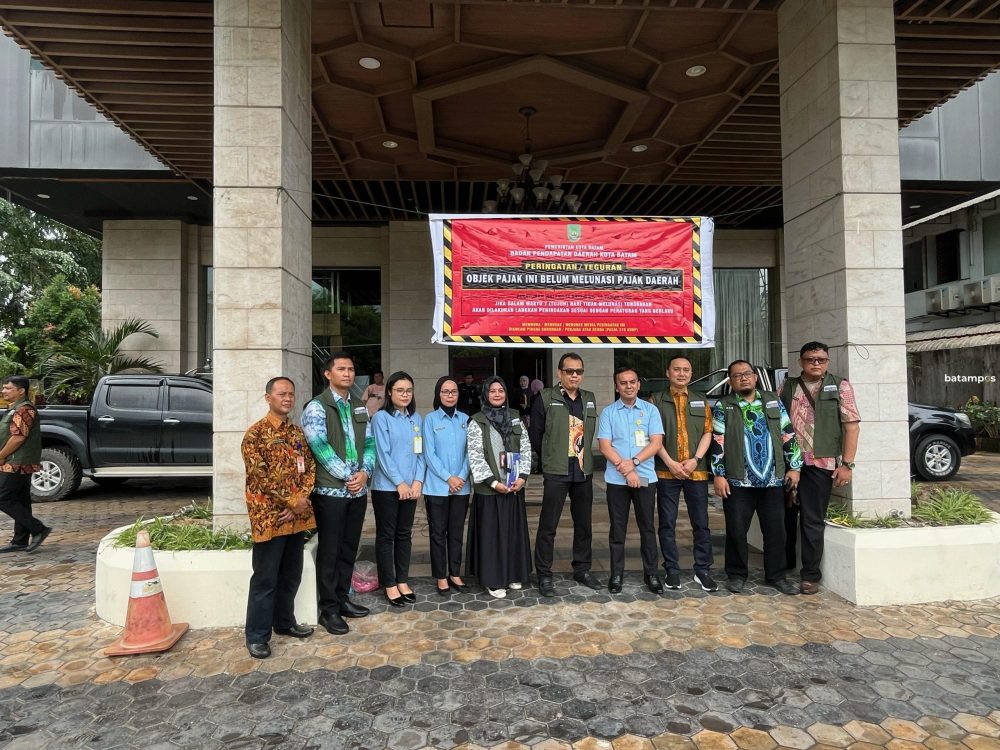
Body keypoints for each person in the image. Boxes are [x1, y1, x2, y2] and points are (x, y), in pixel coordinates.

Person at [711, 360, 802, 596]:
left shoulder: (772, 401)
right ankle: (737, 574)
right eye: (737, 375)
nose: (743, 378)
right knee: (736, 530)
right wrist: (718, 475)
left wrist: (794, 467)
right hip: (738, 480)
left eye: (747, 374)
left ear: (755, 377)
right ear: (730, 381)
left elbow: (787, 433)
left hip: (773, 479)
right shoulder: (724, 405)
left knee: (775, 531)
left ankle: (776, 576)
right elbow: (717, 441)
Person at [240, 376, 316, 659]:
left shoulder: (297, 433)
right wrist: (292, 501)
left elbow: (309, 468)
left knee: (290, 575)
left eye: (291, 394)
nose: (287, 398)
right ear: (268, 398)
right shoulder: (255, 435)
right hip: (270, 518)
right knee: (265, 579)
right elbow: (261, 476)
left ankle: (285, 623)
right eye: (282, 394)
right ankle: (257, 635)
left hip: (296, 517)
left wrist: (301, 500)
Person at [301, 351, 375, 635]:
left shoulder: (358, 405)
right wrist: (349, 476)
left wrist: (364, 474)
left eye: (351, 369)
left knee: (348, 549)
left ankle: (343, 599)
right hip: (330, 491)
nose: (347, 373)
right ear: (327, 374)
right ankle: (328, 609)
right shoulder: (317, 407)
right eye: (341, 369)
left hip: (356, 492)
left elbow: (369, 443)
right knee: (330, 552)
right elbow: (319, 447)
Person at [780, 342, 861, 595]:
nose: (816, 363)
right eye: (811, 359)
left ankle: (810, 575)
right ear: (800, 361)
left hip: (821, 463)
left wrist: (846, 464)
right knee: (784, 517)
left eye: (821, 359)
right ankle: (784, 565)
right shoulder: (787, 386)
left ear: (827, 361)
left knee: (812, 520)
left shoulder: (840, 386)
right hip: (789, 462)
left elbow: (852, 426)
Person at [529, 353, 601, 597]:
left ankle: (582, 569)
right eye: (569, 371)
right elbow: (536, 435)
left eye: (578, 371)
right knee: (548, 525)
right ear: (559, 373)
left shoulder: (589, 398)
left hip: (583, 471)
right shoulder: (545, 398)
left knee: (584, 524)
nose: (574, 375)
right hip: (557, 470)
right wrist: (549, 457)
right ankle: (544, 574)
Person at [597, 366, 664, 595]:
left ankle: (652, 574)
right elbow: (604, 446)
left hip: (645, 477)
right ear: (617, 386)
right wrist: (627, 471)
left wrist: (633, 464)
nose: (628, 386)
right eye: (623, 383)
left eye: (632, 382)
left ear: (638, 384)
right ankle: (616, 574)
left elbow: (656, 443)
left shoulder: (651, 410)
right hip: (617, 480)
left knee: (647, 527)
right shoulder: (608, 412)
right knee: (618, 529)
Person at [652, 356, 717, 592]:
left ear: (691, 374)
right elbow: (653, 437)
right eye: (676, 369)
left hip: (696, 472)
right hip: (665, 472)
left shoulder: (701, 399)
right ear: (668, 372)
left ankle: (703, 570)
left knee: (701, 523)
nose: (681, 373)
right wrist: (670, 462)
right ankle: (672, 570)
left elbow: (708, 433)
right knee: (667, 524)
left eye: (686, 370)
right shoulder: (656, 400)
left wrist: (696, 460)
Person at [466, 376, 532, 598]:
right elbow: (474, 456)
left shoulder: (514, 417)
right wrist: (493, 483)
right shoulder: (477, 420)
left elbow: (525, 446)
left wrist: (521, 477)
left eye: (500, 390)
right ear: (485, 394)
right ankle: (493, 580)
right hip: (490, 489)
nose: (496, 394)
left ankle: (513, 573)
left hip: (513, 486)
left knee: (513, 532)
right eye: (492, 391)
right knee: (492, 535)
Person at [371, 371, 425, 607]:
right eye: (400, 390)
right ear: (390, 392)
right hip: (387, 488)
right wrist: (399, 483)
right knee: (386, 535)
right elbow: (382, 455)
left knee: (404, 534)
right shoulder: (381, 418)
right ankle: (389, 583)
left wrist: (417, 482)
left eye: (409, 390)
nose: (405, 394)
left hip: (410, 488)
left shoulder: (416, 419)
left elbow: (420, 453)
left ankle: (402, 579)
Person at [423, 376, 471, 596]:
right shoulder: (430, 420)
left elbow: (471, 453)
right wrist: (448, 478)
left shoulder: (466, 420)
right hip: (437, 487)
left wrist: (460, 477)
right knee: (438, 533)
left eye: (453, 391)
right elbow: (429, 454)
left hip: (461, 487)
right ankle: (441, 576)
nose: (450, 395)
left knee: (456, 532)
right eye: (445, 391)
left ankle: (454, 573)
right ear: (438, 394)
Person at [0, 376, 51, 554]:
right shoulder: (14, 409)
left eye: (8, 388)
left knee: (3, 498)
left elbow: (19, 437)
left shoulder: (24, 410)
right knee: (20, 500)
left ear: (21, 390)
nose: (3, 391)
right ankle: (20, 540)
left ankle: (38, 529)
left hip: (16, 461)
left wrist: (1, 455)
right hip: (15, 460)